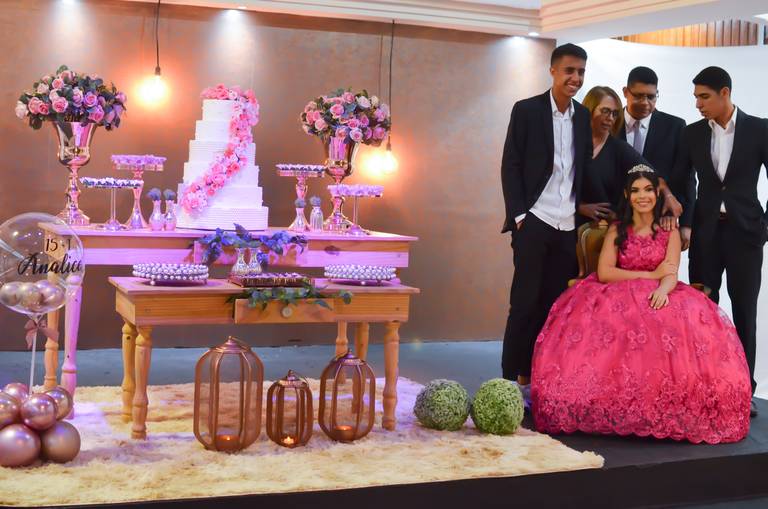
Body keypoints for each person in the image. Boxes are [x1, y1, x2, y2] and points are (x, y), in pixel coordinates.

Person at [531, 166, 751, 444]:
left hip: (662, 289)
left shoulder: (668, 229)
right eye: (635, 191)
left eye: (648, 189)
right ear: (627, 195)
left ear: (657, 193)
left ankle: (665, 404)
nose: (642, 196)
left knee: (672, 322)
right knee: (612, 326)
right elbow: (605, 272)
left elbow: (670, 271)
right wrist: (649, 276)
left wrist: (663, 288)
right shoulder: (617, 229)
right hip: (615, 292)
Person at [673, 66, 768, 417]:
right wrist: (685, 225)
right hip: (706, 235)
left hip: (745, 236)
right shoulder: (692, 133)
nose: (698, 104)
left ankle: (744, 390)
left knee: (744, 313)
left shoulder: (760, 129)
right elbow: (683, 181)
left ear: (725, 93)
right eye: (696, 97)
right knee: (703, 313)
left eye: (704, 96)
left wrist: (764, 228)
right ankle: (706, 386)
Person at [500, 43, 593, 401]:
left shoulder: (582, 116)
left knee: (553, 308)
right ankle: (508, 383)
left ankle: (537, 379)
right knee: (524, 304)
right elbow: (511, 164)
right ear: (553, 70)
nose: (575, 78)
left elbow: (583, 167)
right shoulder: (526, 110)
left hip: (567, 225)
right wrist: (520, 215)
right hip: (535, 219)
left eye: (581, 72)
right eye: (569, 70)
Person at [620, 67, 687, 238]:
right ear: (625, 92)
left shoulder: (675, 127)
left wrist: (686, 224)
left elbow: (685, 178)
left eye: (651, 97)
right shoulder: (608, 123)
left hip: (660, 221)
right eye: (638, 96)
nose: (645, 102)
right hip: (613, 219)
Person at [578, 85, 648, 223]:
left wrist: (668, 197)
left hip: (603, 228)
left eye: (615, 113)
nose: (610, 118)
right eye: (605, 111)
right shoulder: (570, 142)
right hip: (563, 223)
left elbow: (651, 174)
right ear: (589, 109)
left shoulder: (620, 148)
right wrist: (579, 207)